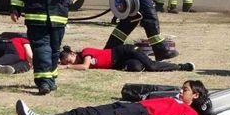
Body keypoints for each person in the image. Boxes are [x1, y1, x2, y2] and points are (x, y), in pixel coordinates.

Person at [15, 80, 208, 115]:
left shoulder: (191, 112)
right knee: (85, 111)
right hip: (133, 107)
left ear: (196, 95)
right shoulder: (175, 99)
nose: (181, 91)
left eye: (185, 90)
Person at [58, 44, 195, 72]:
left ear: (73, 53)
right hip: (119, 63)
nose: (72, 62)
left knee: (151, 66)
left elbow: (85, 67)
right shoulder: (80, 58)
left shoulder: (85, 52)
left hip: (123, 51)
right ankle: (144, 61)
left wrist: (67, 66)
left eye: (70, 60)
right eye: (69, 63)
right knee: (137, 67)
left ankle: (182, 66)